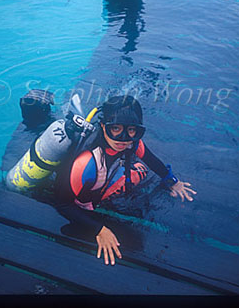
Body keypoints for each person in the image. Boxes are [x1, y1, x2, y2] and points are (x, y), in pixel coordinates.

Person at [54, 95, 196, 266]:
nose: (123, 139)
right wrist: (99, 229)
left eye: (131, 130)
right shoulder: (86, 164)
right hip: (81, 198)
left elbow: (151, 160)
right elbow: (63, 204)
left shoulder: (132, 142)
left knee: (140, 170)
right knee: (133, 173)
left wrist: (172, 181)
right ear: (103, 127)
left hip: (103, 178)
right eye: (116, 129)